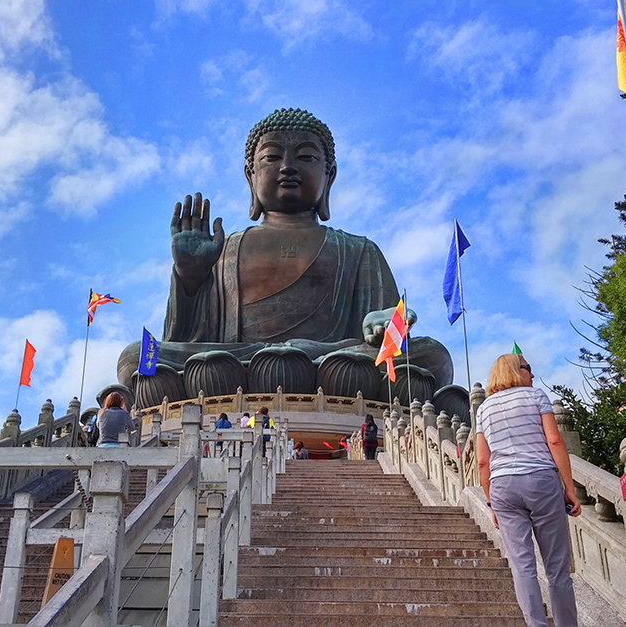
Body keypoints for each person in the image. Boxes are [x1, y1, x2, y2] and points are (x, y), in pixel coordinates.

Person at [116, 108, 453, 391]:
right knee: (136, 358)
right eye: (271, 157)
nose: (287, 166)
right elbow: (188, 337)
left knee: (432, 356)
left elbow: (386, 335)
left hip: (331, 361)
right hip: (236, 362)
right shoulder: (224, 248)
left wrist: (380, 323)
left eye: (305, 157)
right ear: (251, 177)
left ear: (328, 176)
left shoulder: (358, 250)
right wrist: (189, 279)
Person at [476, 354, 581, 627]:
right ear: (515, 370)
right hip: (541, 480)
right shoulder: (535, 396)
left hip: (502, 487)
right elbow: (555, 441)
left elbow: (482, 461)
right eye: (528, 368)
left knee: (522, 566)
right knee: (557, 567)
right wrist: (569, 487)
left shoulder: (483, 409)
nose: (532, 375)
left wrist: (491, 504)